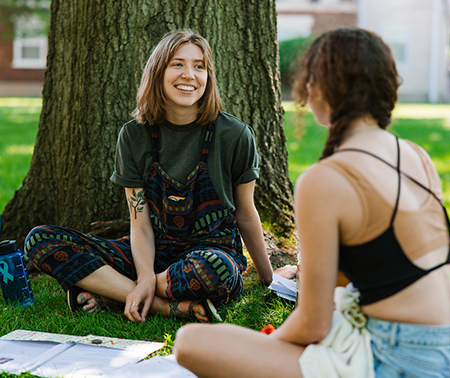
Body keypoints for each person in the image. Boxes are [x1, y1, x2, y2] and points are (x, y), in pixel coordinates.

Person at [173, 28, 450, 377]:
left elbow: (313, 324)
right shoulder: (415, 155)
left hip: (403, 359)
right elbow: (386, 266)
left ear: (319, 87)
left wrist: (268, 347)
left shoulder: (324, 179)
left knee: (190, 343)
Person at [25, 29, 295, 323]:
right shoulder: (133, 136)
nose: (189, 74)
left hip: (209, 254)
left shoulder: (235, 135)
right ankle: (161, 305)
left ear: (208, 76)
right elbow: (139, 224)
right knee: (40, 240)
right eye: (177, 64)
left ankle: (110, 292)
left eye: (199, 66)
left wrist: (270, 279)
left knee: (216, 270)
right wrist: (143, 276)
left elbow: (245, 212)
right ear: (158, 72)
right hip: (150, 254)